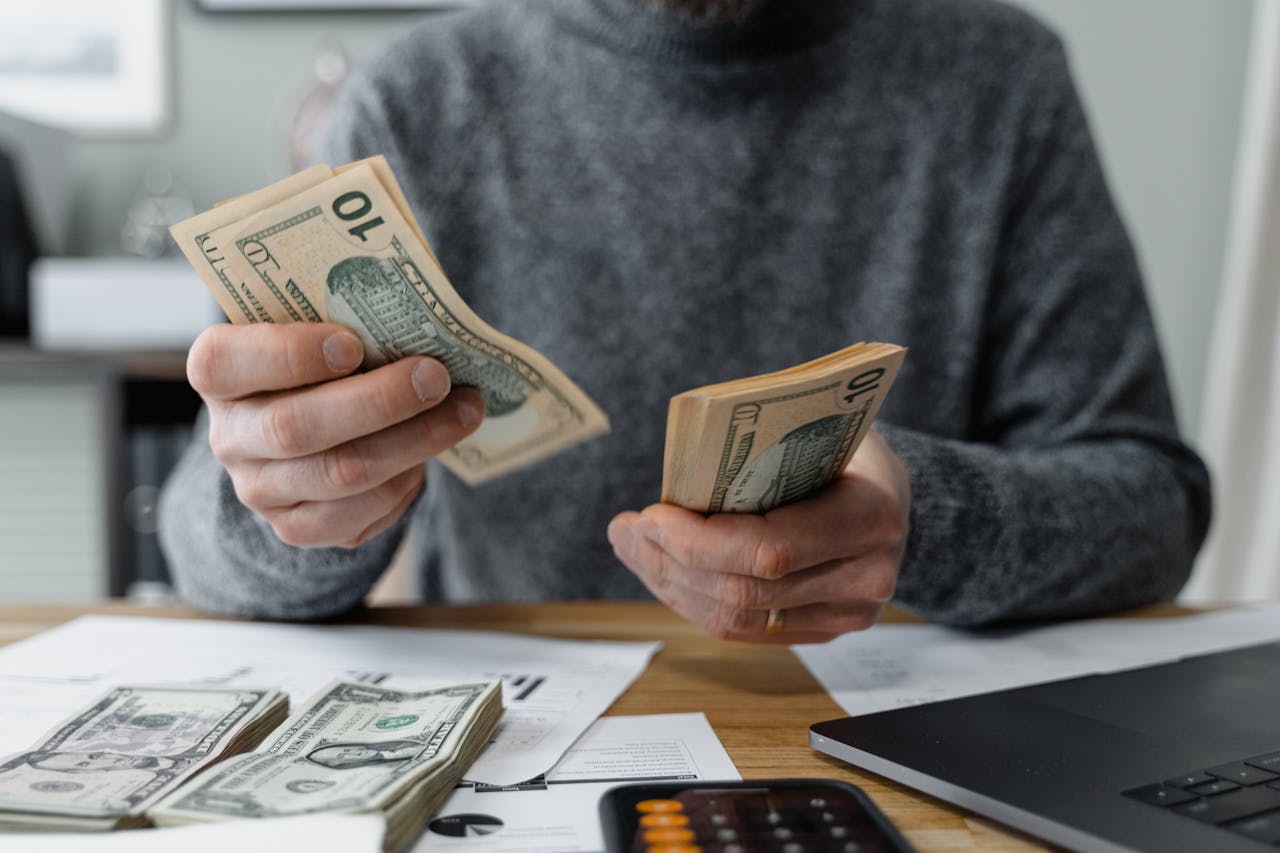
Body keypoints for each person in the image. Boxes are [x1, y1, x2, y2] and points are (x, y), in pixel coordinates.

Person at [158, 0, 1211, 642]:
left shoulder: (996, 81)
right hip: (518, 758)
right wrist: (295, 505)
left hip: (901, 754)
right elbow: (202, 541)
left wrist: (923, 521)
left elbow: (1152, 508)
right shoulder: (413, 100)